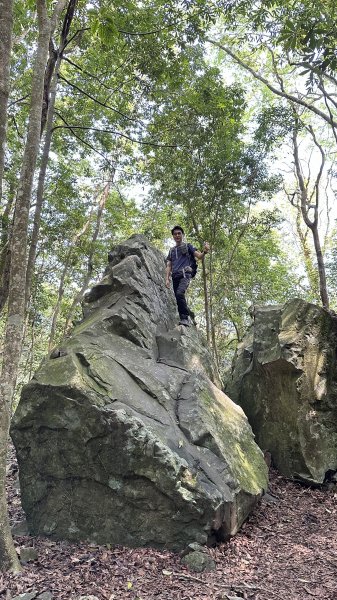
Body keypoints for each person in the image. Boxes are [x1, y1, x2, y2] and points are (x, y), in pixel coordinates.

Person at [165, 225, 210, 326]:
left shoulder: (188, 246)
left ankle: (185, 318)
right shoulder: (171, 251)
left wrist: (205, 251)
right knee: (177, 297)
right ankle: (183, 318)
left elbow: (199, 256)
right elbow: (169, 265)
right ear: (173, 236)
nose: (177, 235)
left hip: (185, 274)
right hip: (175, 277)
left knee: (180, 293)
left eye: (179, 233)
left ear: (182, 235)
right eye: (175, 234)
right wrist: (167, 279)